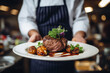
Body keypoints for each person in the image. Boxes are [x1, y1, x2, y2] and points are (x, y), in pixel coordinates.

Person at [18, 0, 89, 73]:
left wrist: (79, 34)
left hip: (67, 59)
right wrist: (33, 33)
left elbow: (80, 18)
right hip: (39, 61)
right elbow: (26, 19)